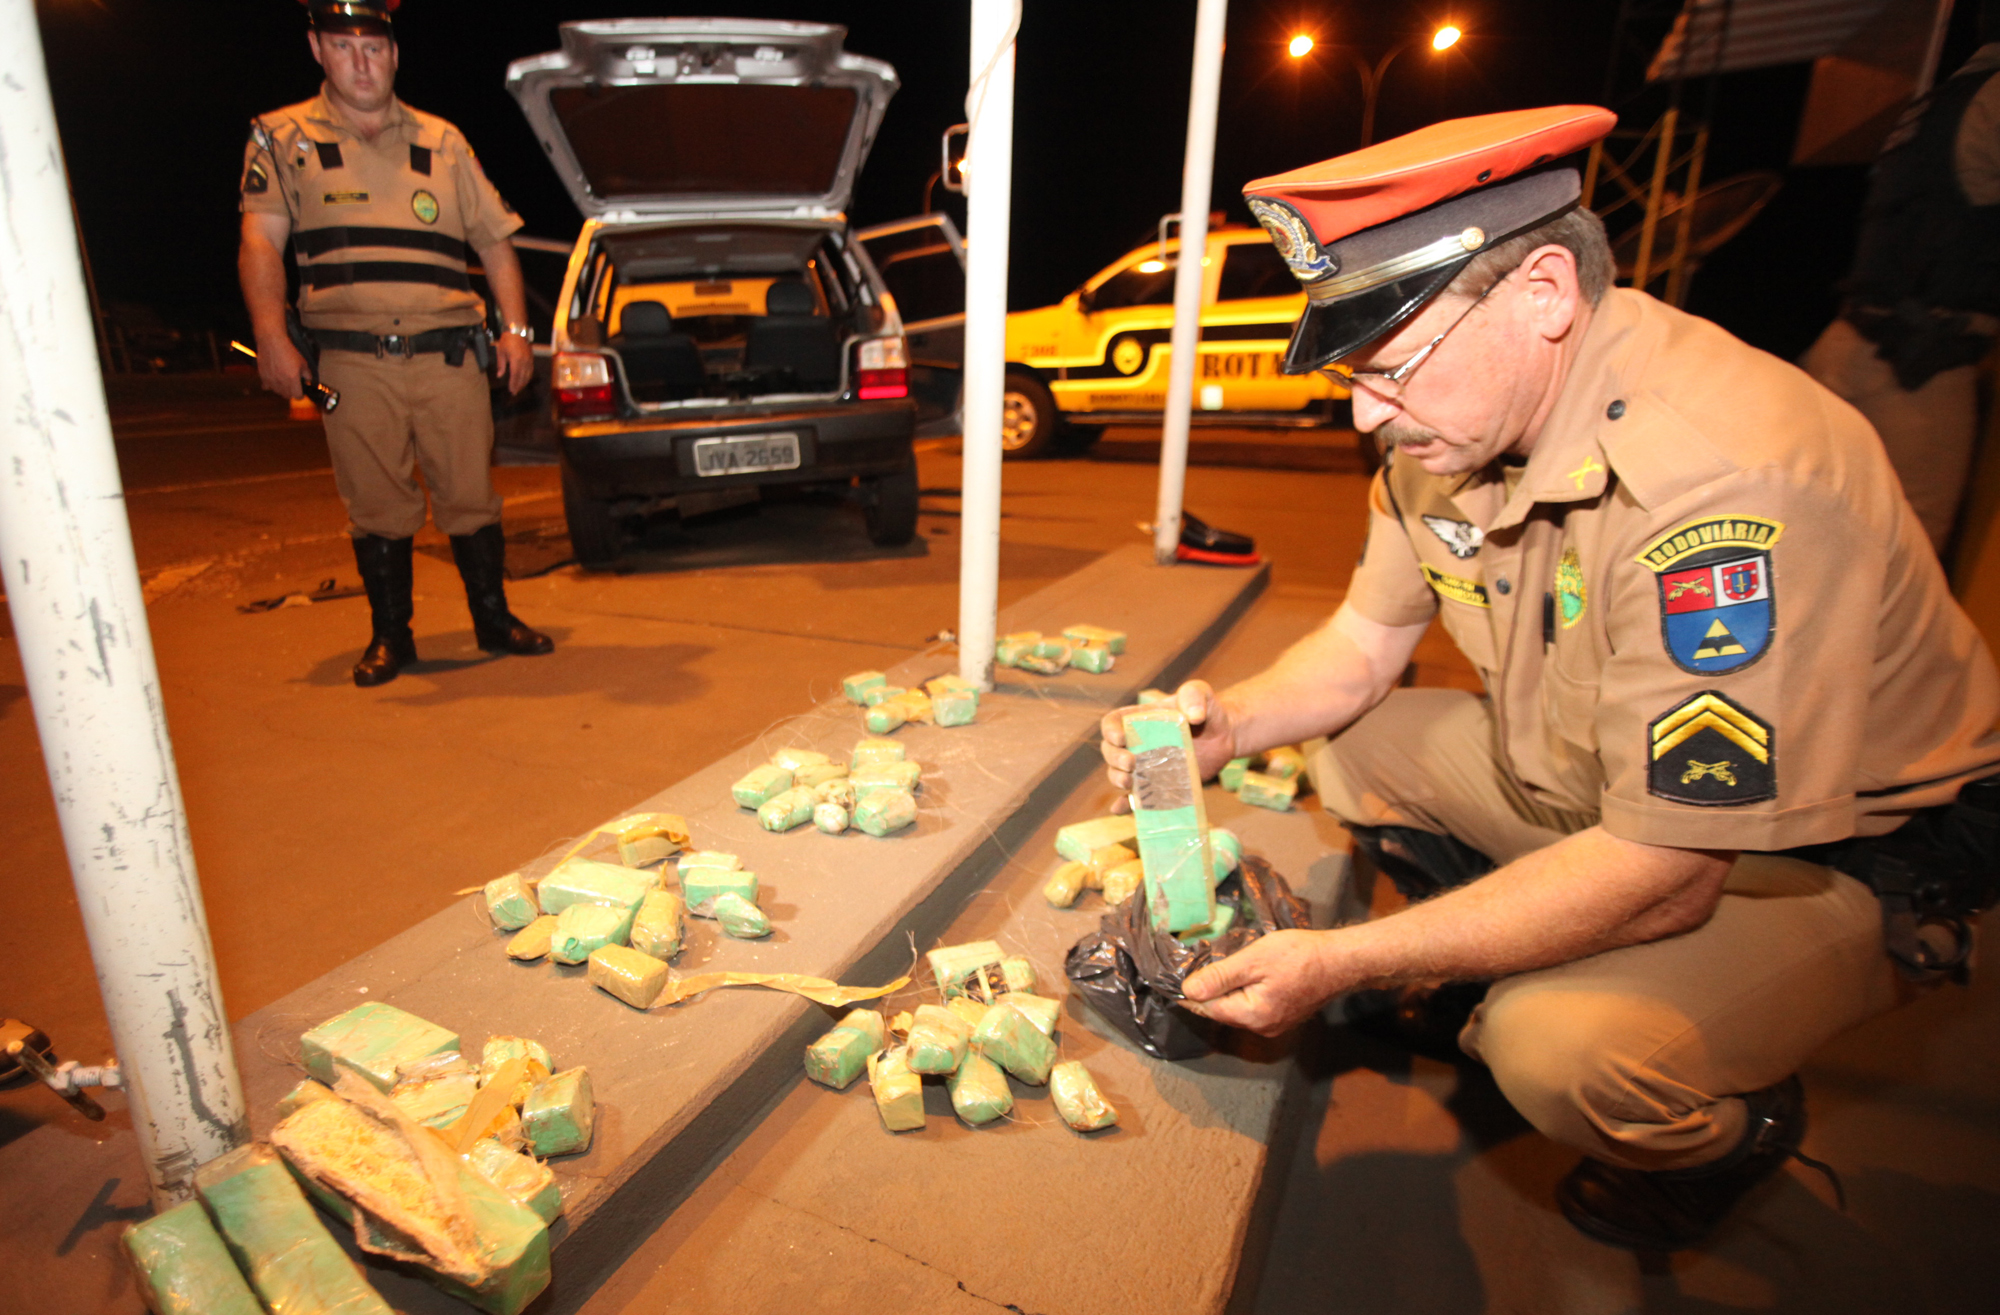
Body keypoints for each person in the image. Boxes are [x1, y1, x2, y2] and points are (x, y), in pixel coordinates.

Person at [1099, 106, 2000, 1252]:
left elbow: (1668, 870)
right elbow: (1363, 648)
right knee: (1360, 749)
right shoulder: (1448, 428)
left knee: (1555, 1050)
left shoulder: (1725, 486)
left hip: (1837, 858)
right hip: (1617, 788)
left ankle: (1735, 1129)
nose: (1364, 410)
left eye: (1389, 365)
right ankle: (1527, 941)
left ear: (1541, 294)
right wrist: (1225, 723)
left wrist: (1339, 963)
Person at [238, 0, 552, 687]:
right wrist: (269, 336)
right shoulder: (280, 137)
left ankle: (494, 619)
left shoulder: (442, 140)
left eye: (373, 47)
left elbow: (494, 242)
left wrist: (517, 331)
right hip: (353, 361)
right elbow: (260, 241)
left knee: (471, 495)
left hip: (449, 357)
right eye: (344, 46)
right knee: (377, 504)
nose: (361, 61)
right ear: (318, 48)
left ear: (394, 53)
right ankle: (391, 636)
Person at [1801, 5, 2000, 557]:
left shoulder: (1937, 102)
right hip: (1919, 368)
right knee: (1910, 569)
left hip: (1847, 348)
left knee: (1805, 540)